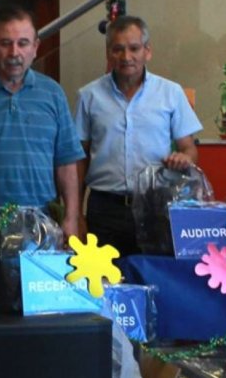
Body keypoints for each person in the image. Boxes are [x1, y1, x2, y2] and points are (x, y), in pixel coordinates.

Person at [0, 7, 85, 242]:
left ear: (35, 47)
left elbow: (66, 161)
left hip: (40, 222)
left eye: (23, 43)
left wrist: (72, 217)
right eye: (5, 43)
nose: (14, 52)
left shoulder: (53, 94)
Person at [75, 15, 202, 255]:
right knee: (104, 277)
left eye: (134, 48)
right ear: (108, 54)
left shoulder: (171, 93)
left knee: (155, 272)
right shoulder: (89, 96)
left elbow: (190, 148)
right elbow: (79, 159)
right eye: (118, 49)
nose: (126, 57)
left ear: (147, 51)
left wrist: (185, 158)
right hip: (105, 209)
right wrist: (76, 214)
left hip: (156, 206)